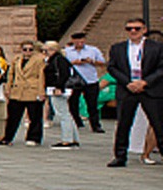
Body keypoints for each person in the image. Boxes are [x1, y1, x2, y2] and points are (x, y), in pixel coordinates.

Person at [106, 18, 163, 168]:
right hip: (127, 89)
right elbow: (112, 67)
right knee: (123, 124)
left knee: (158, 124)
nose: (133, 31)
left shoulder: (156, 47)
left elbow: (161, 68)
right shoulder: (118, 48)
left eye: (137, 28)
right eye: (129, 28)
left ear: (144, 30)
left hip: (149, 89)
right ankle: (120, 155)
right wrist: (127, 83)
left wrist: (145, 82)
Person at [0, 40, 46, 146]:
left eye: (30, 49)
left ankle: (34, 137)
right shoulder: (16, 59)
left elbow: (41, 76)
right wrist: (8, 88)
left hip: (32, 89)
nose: (28, 52)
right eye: (25, 49)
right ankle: (8, 137)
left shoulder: (39, 60)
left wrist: (41, 92)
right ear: (21, 49)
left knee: (34, 116)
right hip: (17, 90)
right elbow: (11, 74)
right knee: (13, 116)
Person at [63, 31, 105, 133]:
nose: (80, 43)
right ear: (73, 41)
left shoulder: (93, 50)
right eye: (77, 41)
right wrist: (74, 62)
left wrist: (92, 61)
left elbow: (102, 62)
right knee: (73, 103)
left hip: (90, 80)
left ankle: (95, 125)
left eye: (82, 41)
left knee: (92, 104)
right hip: (74, 81)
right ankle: (76, 122)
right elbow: (62, 64)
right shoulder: (66, 51)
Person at [43, 40, 80, 149]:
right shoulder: (58, 59)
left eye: (46, 50)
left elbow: (64, 74)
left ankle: (67, 139)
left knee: (62, 114)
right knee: (66, 113)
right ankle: (73, 138)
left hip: (58, 88)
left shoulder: (58, 59)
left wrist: (59, 87)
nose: (45, 53)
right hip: (58, 88)